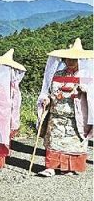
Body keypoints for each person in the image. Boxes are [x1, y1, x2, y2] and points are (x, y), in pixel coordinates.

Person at [36, 38, 93, 176]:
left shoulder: (87, 75)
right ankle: (50, 167)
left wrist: (85, 90)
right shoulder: (57, 74)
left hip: (76, 115)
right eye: (67, 59)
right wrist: (47, 99)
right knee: (54, 140)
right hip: (57, 114)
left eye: (74, 59)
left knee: (74, 141)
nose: (70, 62)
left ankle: (69, 167)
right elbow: (51, 91)